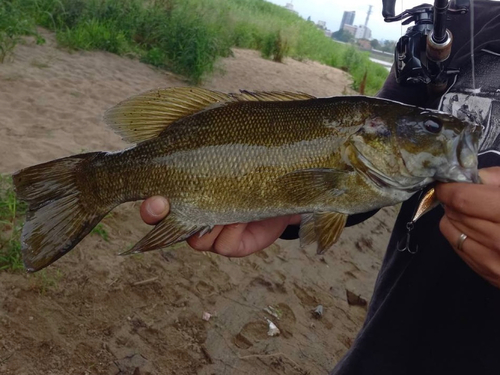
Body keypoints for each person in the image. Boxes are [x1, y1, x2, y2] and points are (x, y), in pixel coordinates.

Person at [140, 1, 500, 373]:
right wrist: (294, 212)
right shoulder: (456, 20)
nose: (459, 131)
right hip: (384, 348)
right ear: (370, 133)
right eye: (431, 127)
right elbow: (362, 180)